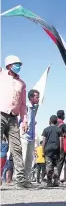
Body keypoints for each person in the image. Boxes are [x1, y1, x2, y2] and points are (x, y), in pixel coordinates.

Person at [0, 55, 32, 188]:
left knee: (17, 148)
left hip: (14, 119)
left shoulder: (22, 84)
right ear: (8, 65)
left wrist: (24, 121)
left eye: (19, 64)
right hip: (0, 115)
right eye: (15, 64)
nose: (18, 66)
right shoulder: (1, 74)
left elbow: (23, 105)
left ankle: (20, 179)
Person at [20, 89, 40, 182]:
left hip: (31, 137)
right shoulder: (26, 107)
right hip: (25, 136)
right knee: (23, 158)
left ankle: (26, 179)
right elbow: (21, 119)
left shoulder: (33, 108)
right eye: (36, 97)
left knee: (29, 159)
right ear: (31, 97)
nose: (38, 99)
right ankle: (20, 178)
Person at [42, 115, 63, 187]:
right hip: (56, 149)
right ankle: (56, 181)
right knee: (56, 166)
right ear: (56, 122)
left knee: (49, 165)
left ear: (50, 121)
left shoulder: (46, 130)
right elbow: (61, 142)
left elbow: (44, 142)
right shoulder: (59, 130)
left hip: (48, 150)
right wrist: (60, 151)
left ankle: (49, 181)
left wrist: (42, 151)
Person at [56, 110, 66, 183]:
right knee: (60, 162)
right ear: (62, 115)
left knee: (53, 162)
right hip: (61, 145)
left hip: (53, 144)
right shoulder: (63, 124)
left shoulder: (53, 122)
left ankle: (49, 178)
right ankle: (56, 178)